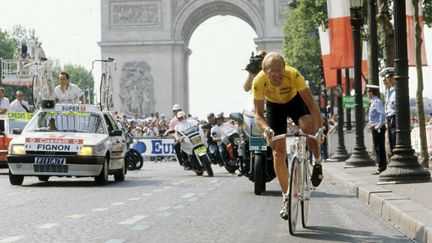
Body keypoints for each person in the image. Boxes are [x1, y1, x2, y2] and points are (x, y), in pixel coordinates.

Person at [251, 52, 323, 220]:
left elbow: (312, 105)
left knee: (308, 127)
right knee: (277, 151)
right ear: (264, 71)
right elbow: (258, 115)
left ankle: (317, 161)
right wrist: (266, 129)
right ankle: (286, 197)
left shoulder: (293, 74)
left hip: (294, 101)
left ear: (284, 67)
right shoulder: (258, 82)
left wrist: (319, 129)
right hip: (275, 106)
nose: (277, 74)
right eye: (272, 71)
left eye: (280, 69)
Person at [366, 84, 387, 175]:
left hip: (378, 128)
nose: (367, 93)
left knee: (379, 147)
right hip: (374, 127)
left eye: (368, 91)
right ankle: (380, 166)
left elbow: (382, 114)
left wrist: (379, 125)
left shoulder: (377, 102)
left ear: (371, 92)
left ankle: (382, 167)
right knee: (377, 148)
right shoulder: (373, 102)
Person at [380, 67, 396, 154]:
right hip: (390, 117)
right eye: (386, 78)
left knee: (394, 137)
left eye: (389, 77)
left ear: (394, 77)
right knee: (391, 138)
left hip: (394, 116)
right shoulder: (389, 91)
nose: (387, 79)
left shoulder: (396, 90)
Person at [167, 104, 188, 168]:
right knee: (177, 146)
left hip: (189, 135)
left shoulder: (187, 117)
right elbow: (172, 132)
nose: (176, 112)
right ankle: (183, 162)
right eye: (174, 111)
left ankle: (206, 154)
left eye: (178, 110)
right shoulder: (173, 122)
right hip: (180, 138)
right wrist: (177, 137)